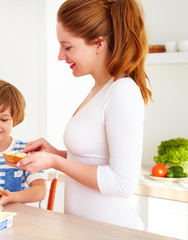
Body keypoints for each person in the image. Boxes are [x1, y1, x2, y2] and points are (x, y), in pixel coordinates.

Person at [8, 0, 152, 230]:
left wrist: (55, 162)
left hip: (112, 231)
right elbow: (93, 160)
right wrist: (56, 153)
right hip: (85, 229)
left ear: (98, 44)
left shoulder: (123, 91)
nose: (60, 56)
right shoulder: (99, 89)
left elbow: (122, 183)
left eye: (67, 46)